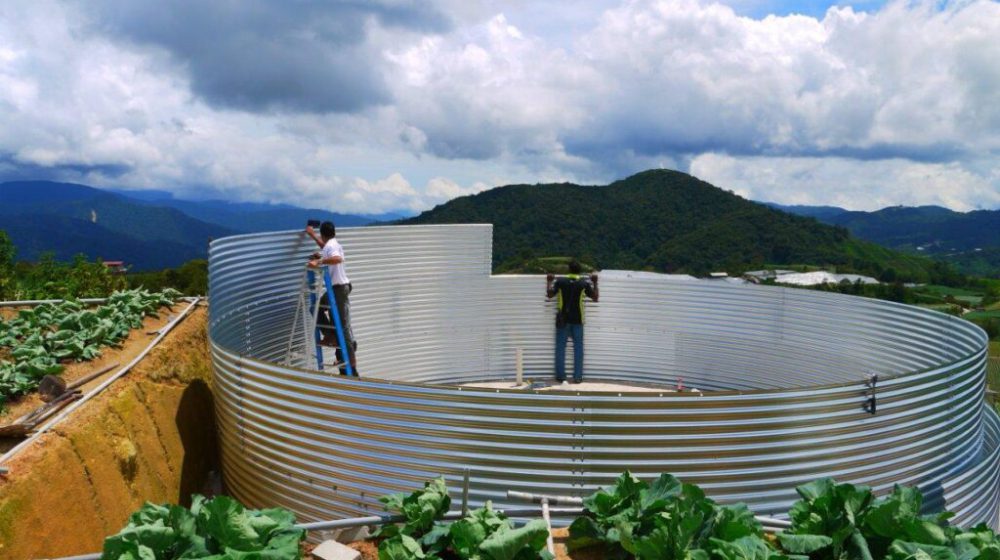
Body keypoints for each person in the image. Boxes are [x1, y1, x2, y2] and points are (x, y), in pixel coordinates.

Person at [306, 221, 358, 376]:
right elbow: (327, 250)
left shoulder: (332, 247)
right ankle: (330, 336)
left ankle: (352, 365)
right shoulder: (331, 244)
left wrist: (319, 261)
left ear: (323, 234)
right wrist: (313, 236)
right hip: (336, 289)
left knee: (343, 327)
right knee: (316, 307)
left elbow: (336, 259)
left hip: (339, 289)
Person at [546, 261, 598, 384]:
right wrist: (595, 282)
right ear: (579, 271)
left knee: (560, 348)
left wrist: (549, 281)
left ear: (569, 270)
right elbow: (595, 298)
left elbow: (549, 295)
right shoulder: (584, 283)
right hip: (578, 321)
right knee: (578, 349)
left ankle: (560, 376)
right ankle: (578, 377)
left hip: (562, 320)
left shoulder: (560, 281)